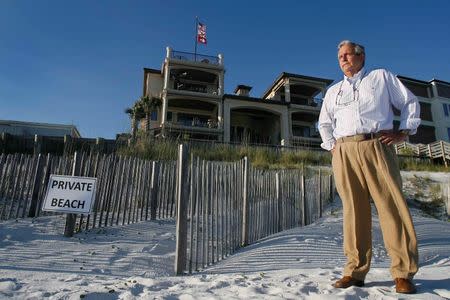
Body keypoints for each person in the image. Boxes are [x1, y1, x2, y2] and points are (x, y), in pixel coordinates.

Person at [318, 40, 420, 294]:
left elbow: (409, 102)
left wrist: (404, 132)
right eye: (339, 56)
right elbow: (324, 123)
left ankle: (403, 272)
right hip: (344, 151)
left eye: (348, 55)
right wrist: (334, 147)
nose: (343, 59)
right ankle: (354, 271)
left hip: (376, 145)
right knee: (353, 211)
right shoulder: (333, 91)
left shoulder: (381, 77)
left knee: (391, 207)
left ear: (361, 57)